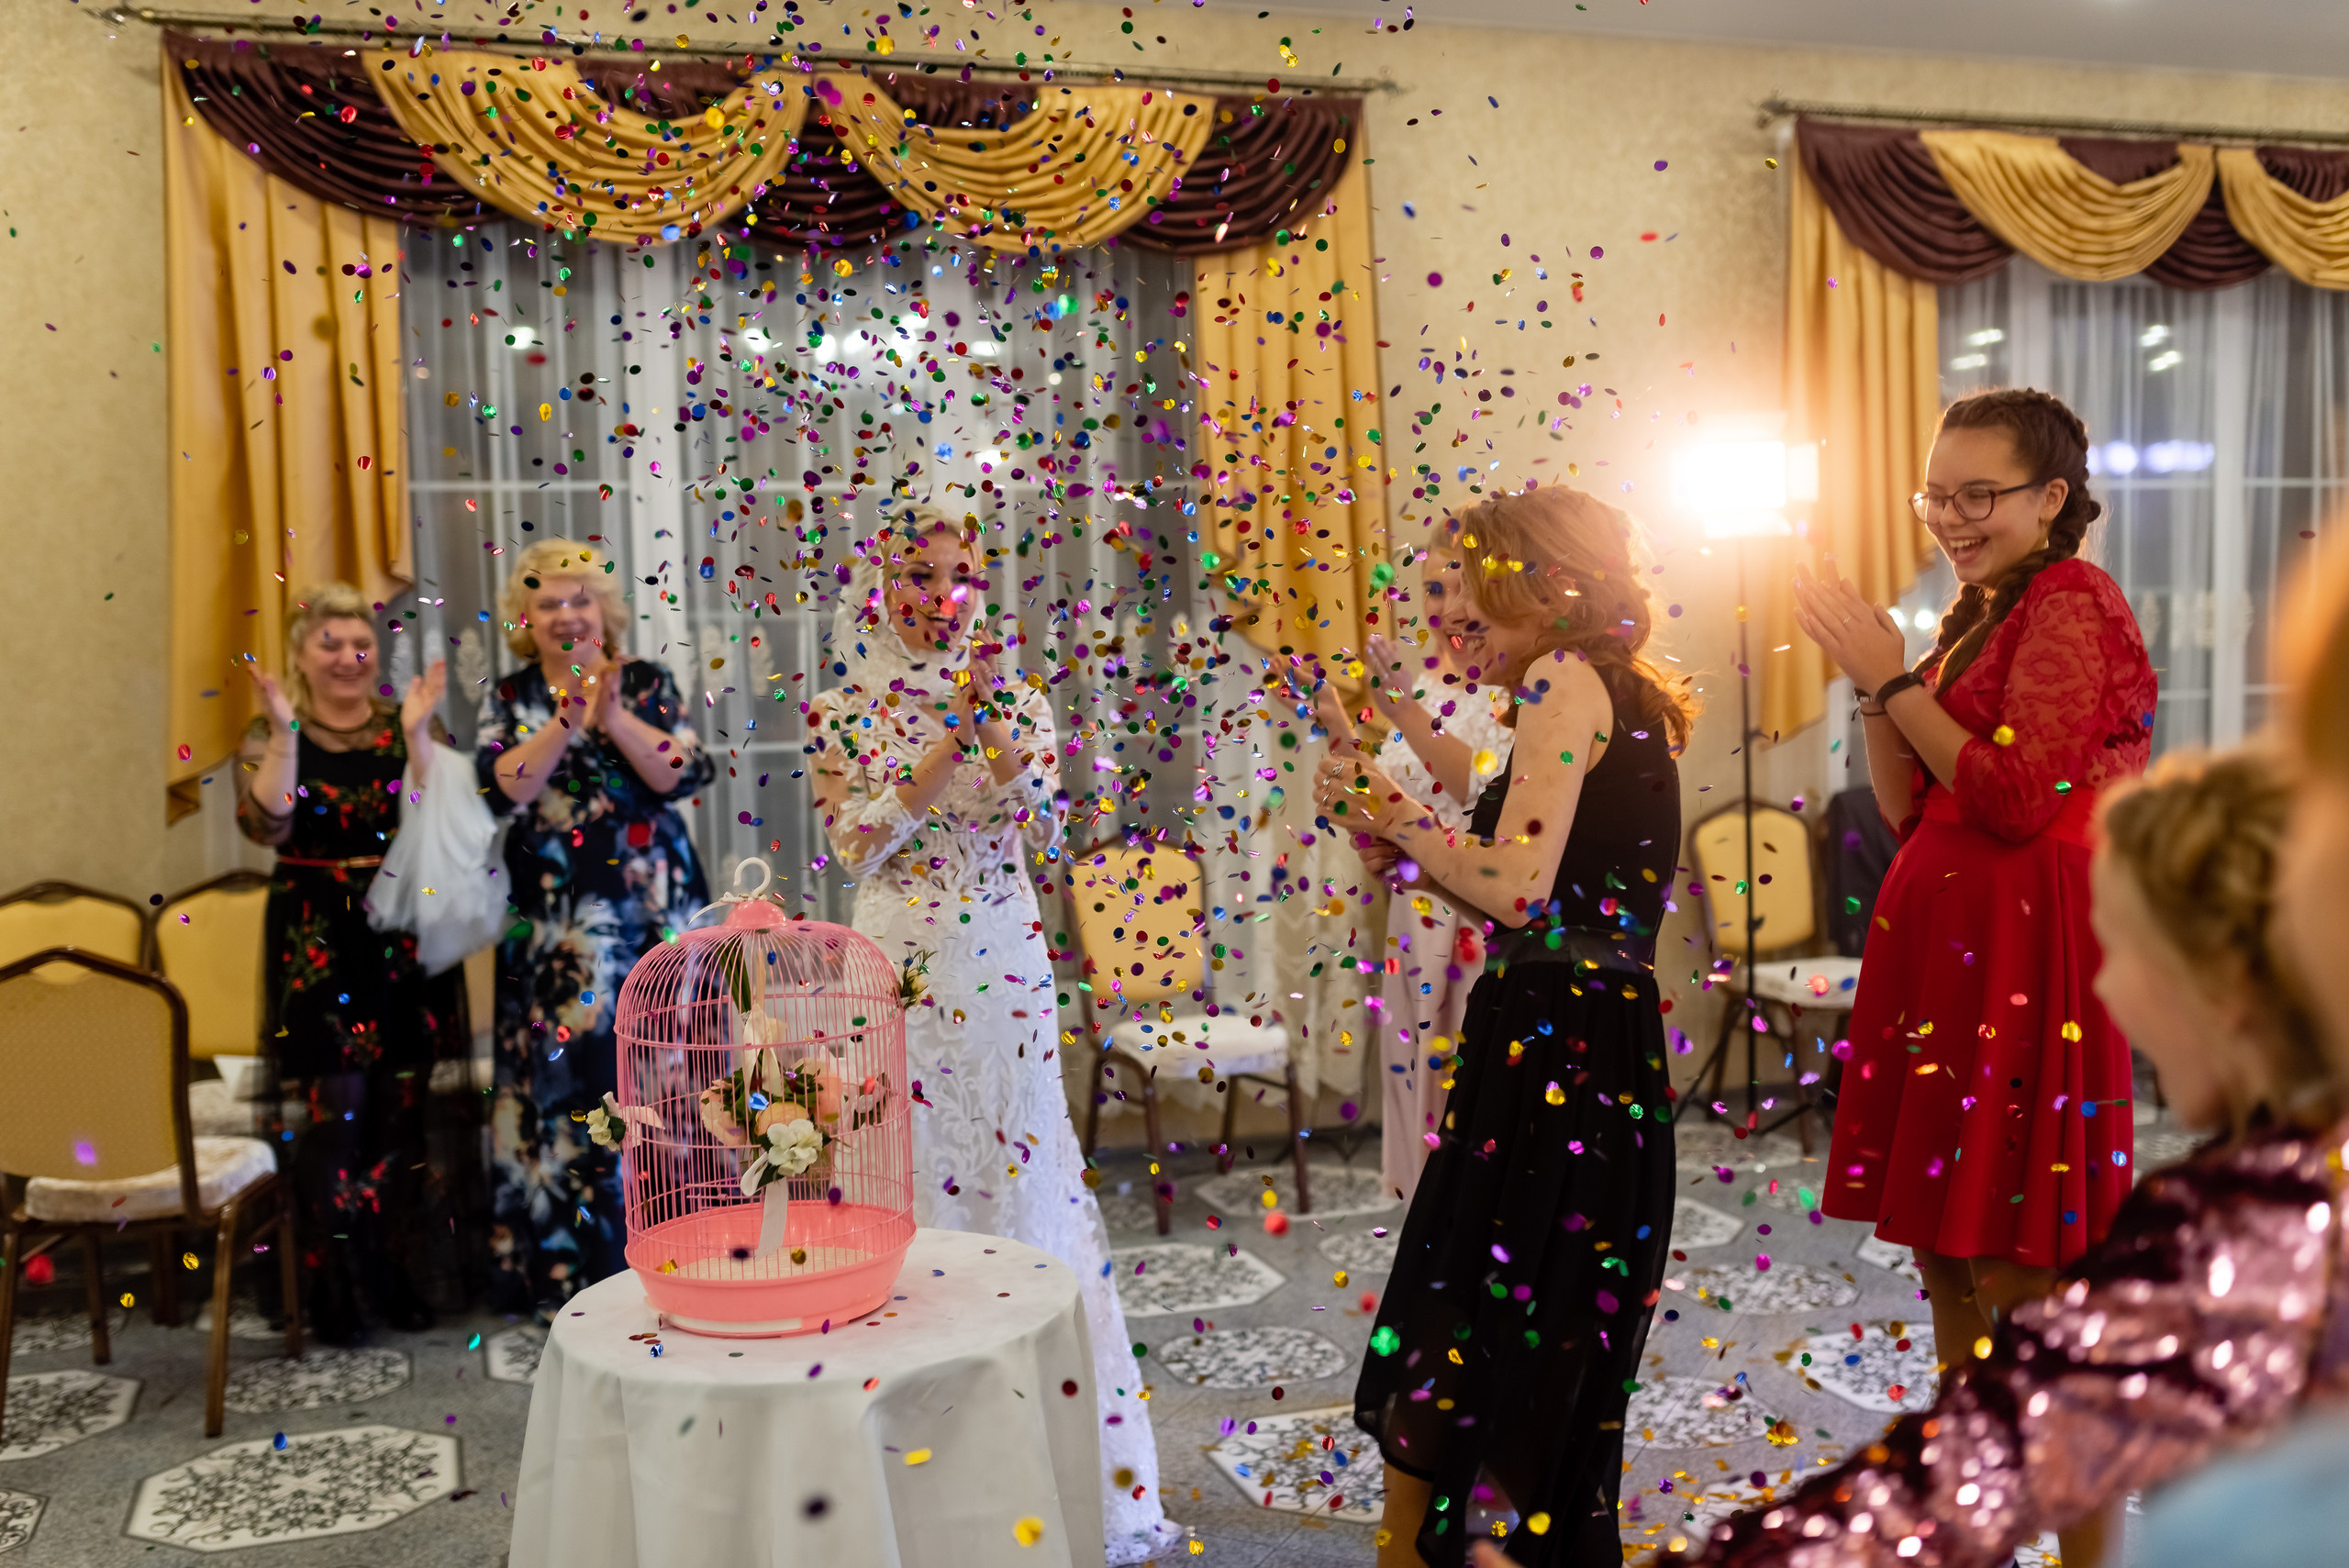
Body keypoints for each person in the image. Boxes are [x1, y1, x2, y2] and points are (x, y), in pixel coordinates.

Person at [1650, 746, 2348, 1567]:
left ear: (2224, 984)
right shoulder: (2255, 1201)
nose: (2109, 986)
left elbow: (2000, 1445)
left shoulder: (2257, 1230)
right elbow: (1985, 1449)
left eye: (2120, 950)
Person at [1317, 484, 1693, 1568]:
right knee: (1513, 1334)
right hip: (1579, 1032)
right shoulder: (1598, 683)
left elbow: (1523, 888)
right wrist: (1405, 832)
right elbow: (1538, 893)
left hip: (1558, 1054)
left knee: (1482, 1333)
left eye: (1469, 586)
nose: (1452, 615)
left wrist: (1395, 817)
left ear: (1540, 585)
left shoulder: (1560, 675)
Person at [807, 502, 1183, 1565]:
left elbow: (1055, 834)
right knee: (913, 1175)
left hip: (1007, 962)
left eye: (957, 576)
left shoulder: (1017, 695)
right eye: (917, 575)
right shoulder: (841, 706)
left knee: (1022, 1178)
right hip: (901, 964)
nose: (939, 596)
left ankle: (1045, 1464)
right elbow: (857, 846)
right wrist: (941, 749)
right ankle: (911, 1478)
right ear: (879, 583)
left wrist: (1002, 738)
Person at [1793, 391, 2157, 1451]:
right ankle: (1977, 1488)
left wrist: (1893, 675)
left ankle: (2064, 1487)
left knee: (2020, 1256)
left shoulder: (2073, 598)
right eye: (1935, 496)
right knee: (1946, 1250)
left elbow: (2009, 799)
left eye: (1977, 495)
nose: (1950, 517)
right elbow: (1909, 803)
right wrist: (1877, 687)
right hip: (1951, 942)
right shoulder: (1982, 608)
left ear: (2050, 497)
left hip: (2028, 937)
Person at [474, 539, 713, 1316]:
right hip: (557, 930)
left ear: (603, 610)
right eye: (547, 600)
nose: (566, 613)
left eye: (579, 598)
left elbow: (680, 772)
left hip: (651, 914)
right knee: (567, 1086)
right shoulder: (510, 695)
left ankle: (677, 1253)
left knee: (664, 1076)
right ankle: (571, 1270)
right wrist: (566, 723)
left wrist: (613, 716)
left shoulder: (644, 681)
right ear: (525, 617)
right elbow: (500, 790)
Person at [236, 583, 464, 1340]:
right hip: (317, 940)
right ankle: (330, 1285)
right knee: (338, 1116)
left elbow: (444, 826)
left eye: (358, 642)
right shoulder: (275, 727)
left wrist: (421, 735)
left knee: (402, 1119)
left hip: (402, 934)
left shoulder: (406, 723)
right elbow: (267, 826)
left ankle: (395, 1274)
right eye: (328, 642)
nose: (346, 656)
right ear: (301, 654)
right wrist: (282, 734)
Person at [1313, 536, 1509, 1204]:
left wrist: (1401, 707)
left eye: (1457, 585)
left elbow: (1479, 794)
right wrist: (1338, 727)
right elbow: (1390, 801)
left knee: (1472, 1096)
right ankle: (1431, 1227)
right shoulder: (1426, 685)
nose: (1444, 605)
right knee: (1415, 1087)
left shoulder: (1514, 692)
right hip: (1414, 916)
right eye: (1431, 588)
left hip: (1476, 912)